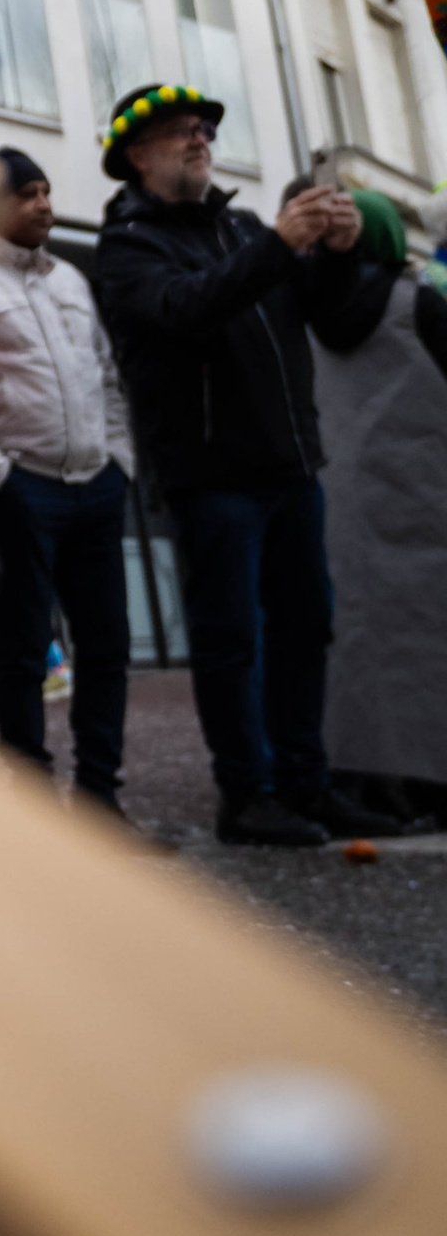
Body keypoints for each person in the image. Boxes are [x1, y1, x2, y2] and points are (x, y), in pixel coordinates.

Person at [92, 85, 391, 847]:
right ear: (138, 154)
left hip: (291, 467)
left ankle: (305, 783)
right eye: (182, 132)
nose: (200, 139)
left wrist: (339, 252)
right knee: (233, 640)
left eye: (204, 130)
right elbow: (186, 307)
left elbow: (332, 319)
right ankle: (246, 795)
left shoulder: (245, 227)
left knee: (305, 628)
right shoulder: (128, 245)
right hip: (212, 475)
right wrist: (280, 245)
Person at [0, 146, 136, 811]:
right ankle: (32, 800)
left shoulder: (72, 280)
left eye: (46, 191)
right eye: (27, 193)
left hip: (96, 484)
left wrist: (119, 460)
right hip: (24, 489)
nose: (43, 204)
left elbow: (106, 374)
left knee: (106, 645)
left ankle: (101, 799)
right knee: (21, 648)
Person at [309, 189, 447, 826]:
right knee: (426, 639)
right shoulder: (421, 301)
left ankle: (357, 782)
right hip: (422, 495)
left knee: (350, 640)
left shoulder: (306, 311)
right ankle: (432, 785)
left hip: (333, 501)